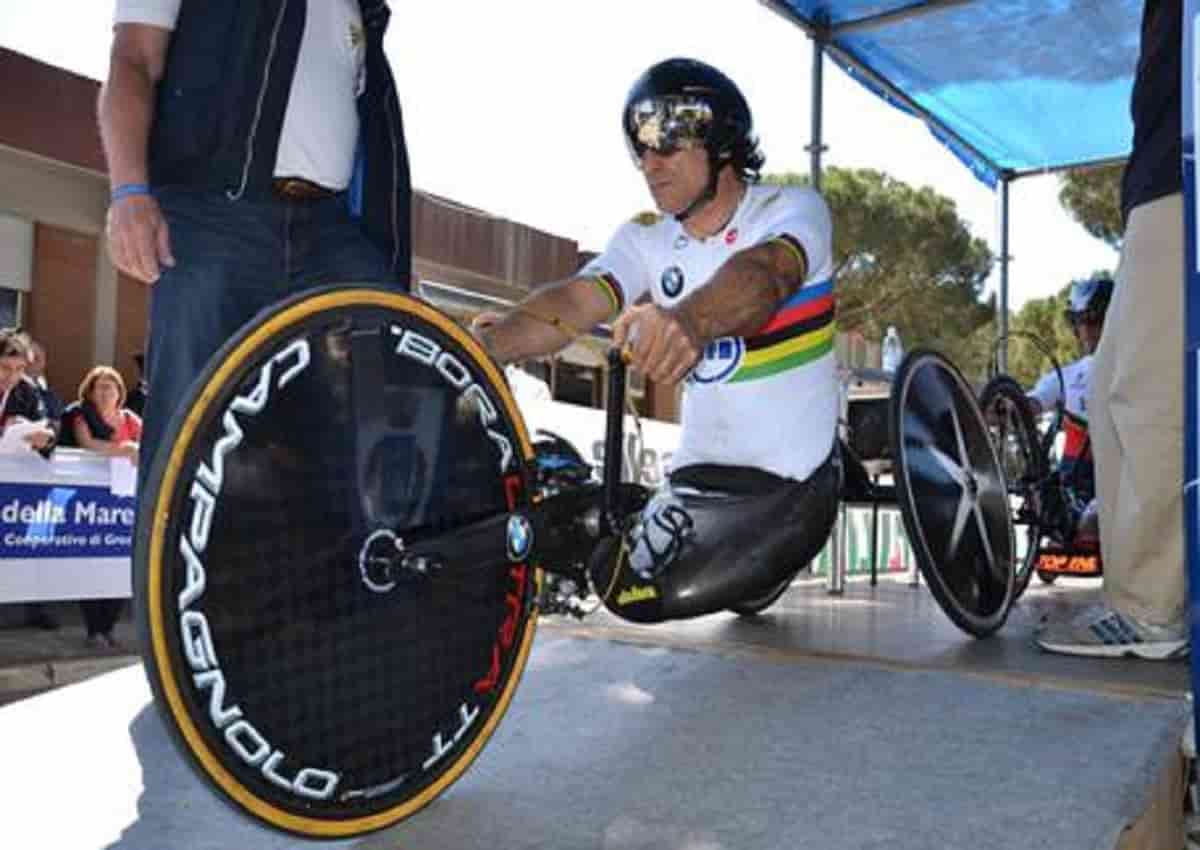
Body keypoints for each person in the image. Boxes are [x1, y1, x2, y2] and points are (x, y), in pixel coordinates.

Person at [474, 58, 839, 622]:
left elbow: (767, 276)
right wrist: (487, 347)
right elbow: (574, 302)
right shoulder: (646, 238)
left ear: (720, 142)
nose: (649, 162)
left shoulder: (791, 209)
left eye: (665, 144)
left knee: (637, 594)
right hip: (697, 479)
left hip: (792, 483)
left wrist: (690, 321)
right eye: (638, 148)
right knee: (612, 582)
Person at [99, 0, 412, 478]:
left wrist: (386, 254)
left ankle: (351, 550)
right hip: (214, 214)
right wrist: (129, 192)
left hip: (330, 232)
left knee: (379, 398)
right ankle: (166, 554)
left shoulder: (363, 10)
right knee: (191, 428)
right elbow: (133, 59)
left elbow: (371, 133)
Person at [1036, 0, 1186, 660]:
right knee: (1116, 396)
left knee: (1145, 397)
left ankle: (1151, 609)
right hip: (1158, 175)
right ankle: (1144, 596)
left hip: (1180, 170)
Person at [1022, 275, 1113, 543]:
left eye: (1093, 319)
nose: (1085, 330)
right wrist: (1002, 407)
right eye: (1078, 321)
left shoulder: (1137, 370)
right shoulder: (1070, 375)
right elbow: (1034, 401)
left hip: (1118, 479)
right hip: (1074, 479)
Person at [68, 366, 142, 649]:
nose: (105, 392)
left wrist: (135, 448)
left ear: (120, 392)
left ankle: (108, 627)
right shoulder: (81, 415)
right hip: (91, 504)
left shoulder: (129, 419)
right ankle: (93, 629)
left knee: (119, 566)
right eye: (99, 386)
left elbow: (148, 440)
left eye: (111, 386)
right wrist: (123, 450)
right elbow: (87, 444)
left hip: (123, 504)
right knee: (90, 565)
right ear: (89, 390)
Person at [0, 330, 59, 630]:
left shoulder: (26, 390)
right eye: (5, 368)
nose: (12, 377)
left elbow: (48, 427)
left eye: (20, 369)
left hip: (11, 488)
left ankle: (33, 608)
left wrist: (42, 438)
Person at [24, 338, 64, 425]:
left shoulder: (47, 388)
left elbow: (60, 414)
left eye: (40, 357)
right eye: (34, 358)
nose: (34, 362)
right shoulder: (16, 388)